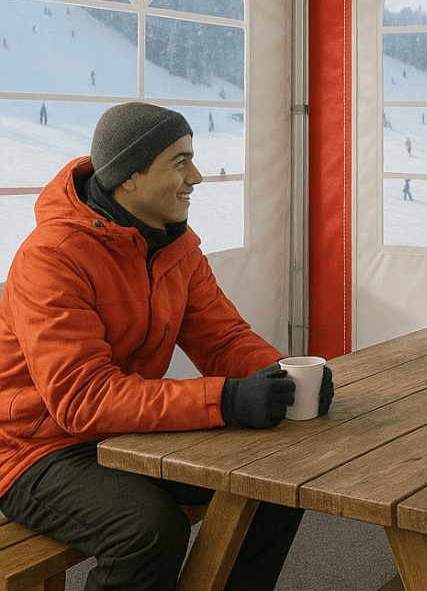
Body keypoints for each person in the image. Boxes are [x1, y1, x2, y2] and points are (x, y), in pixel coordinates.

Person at [0, 102, 334, 591]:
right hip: (34, 450)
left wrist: (285, 374)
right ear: (129, 177)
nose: (196, 177)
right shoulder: (52, 258)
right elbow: (82, 400)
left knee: (273, 483)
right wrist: (225, 399)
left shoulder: (175, 247)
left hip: (124, 430)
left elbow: (223, 338)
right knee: (148, 530)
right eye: (181, 162)